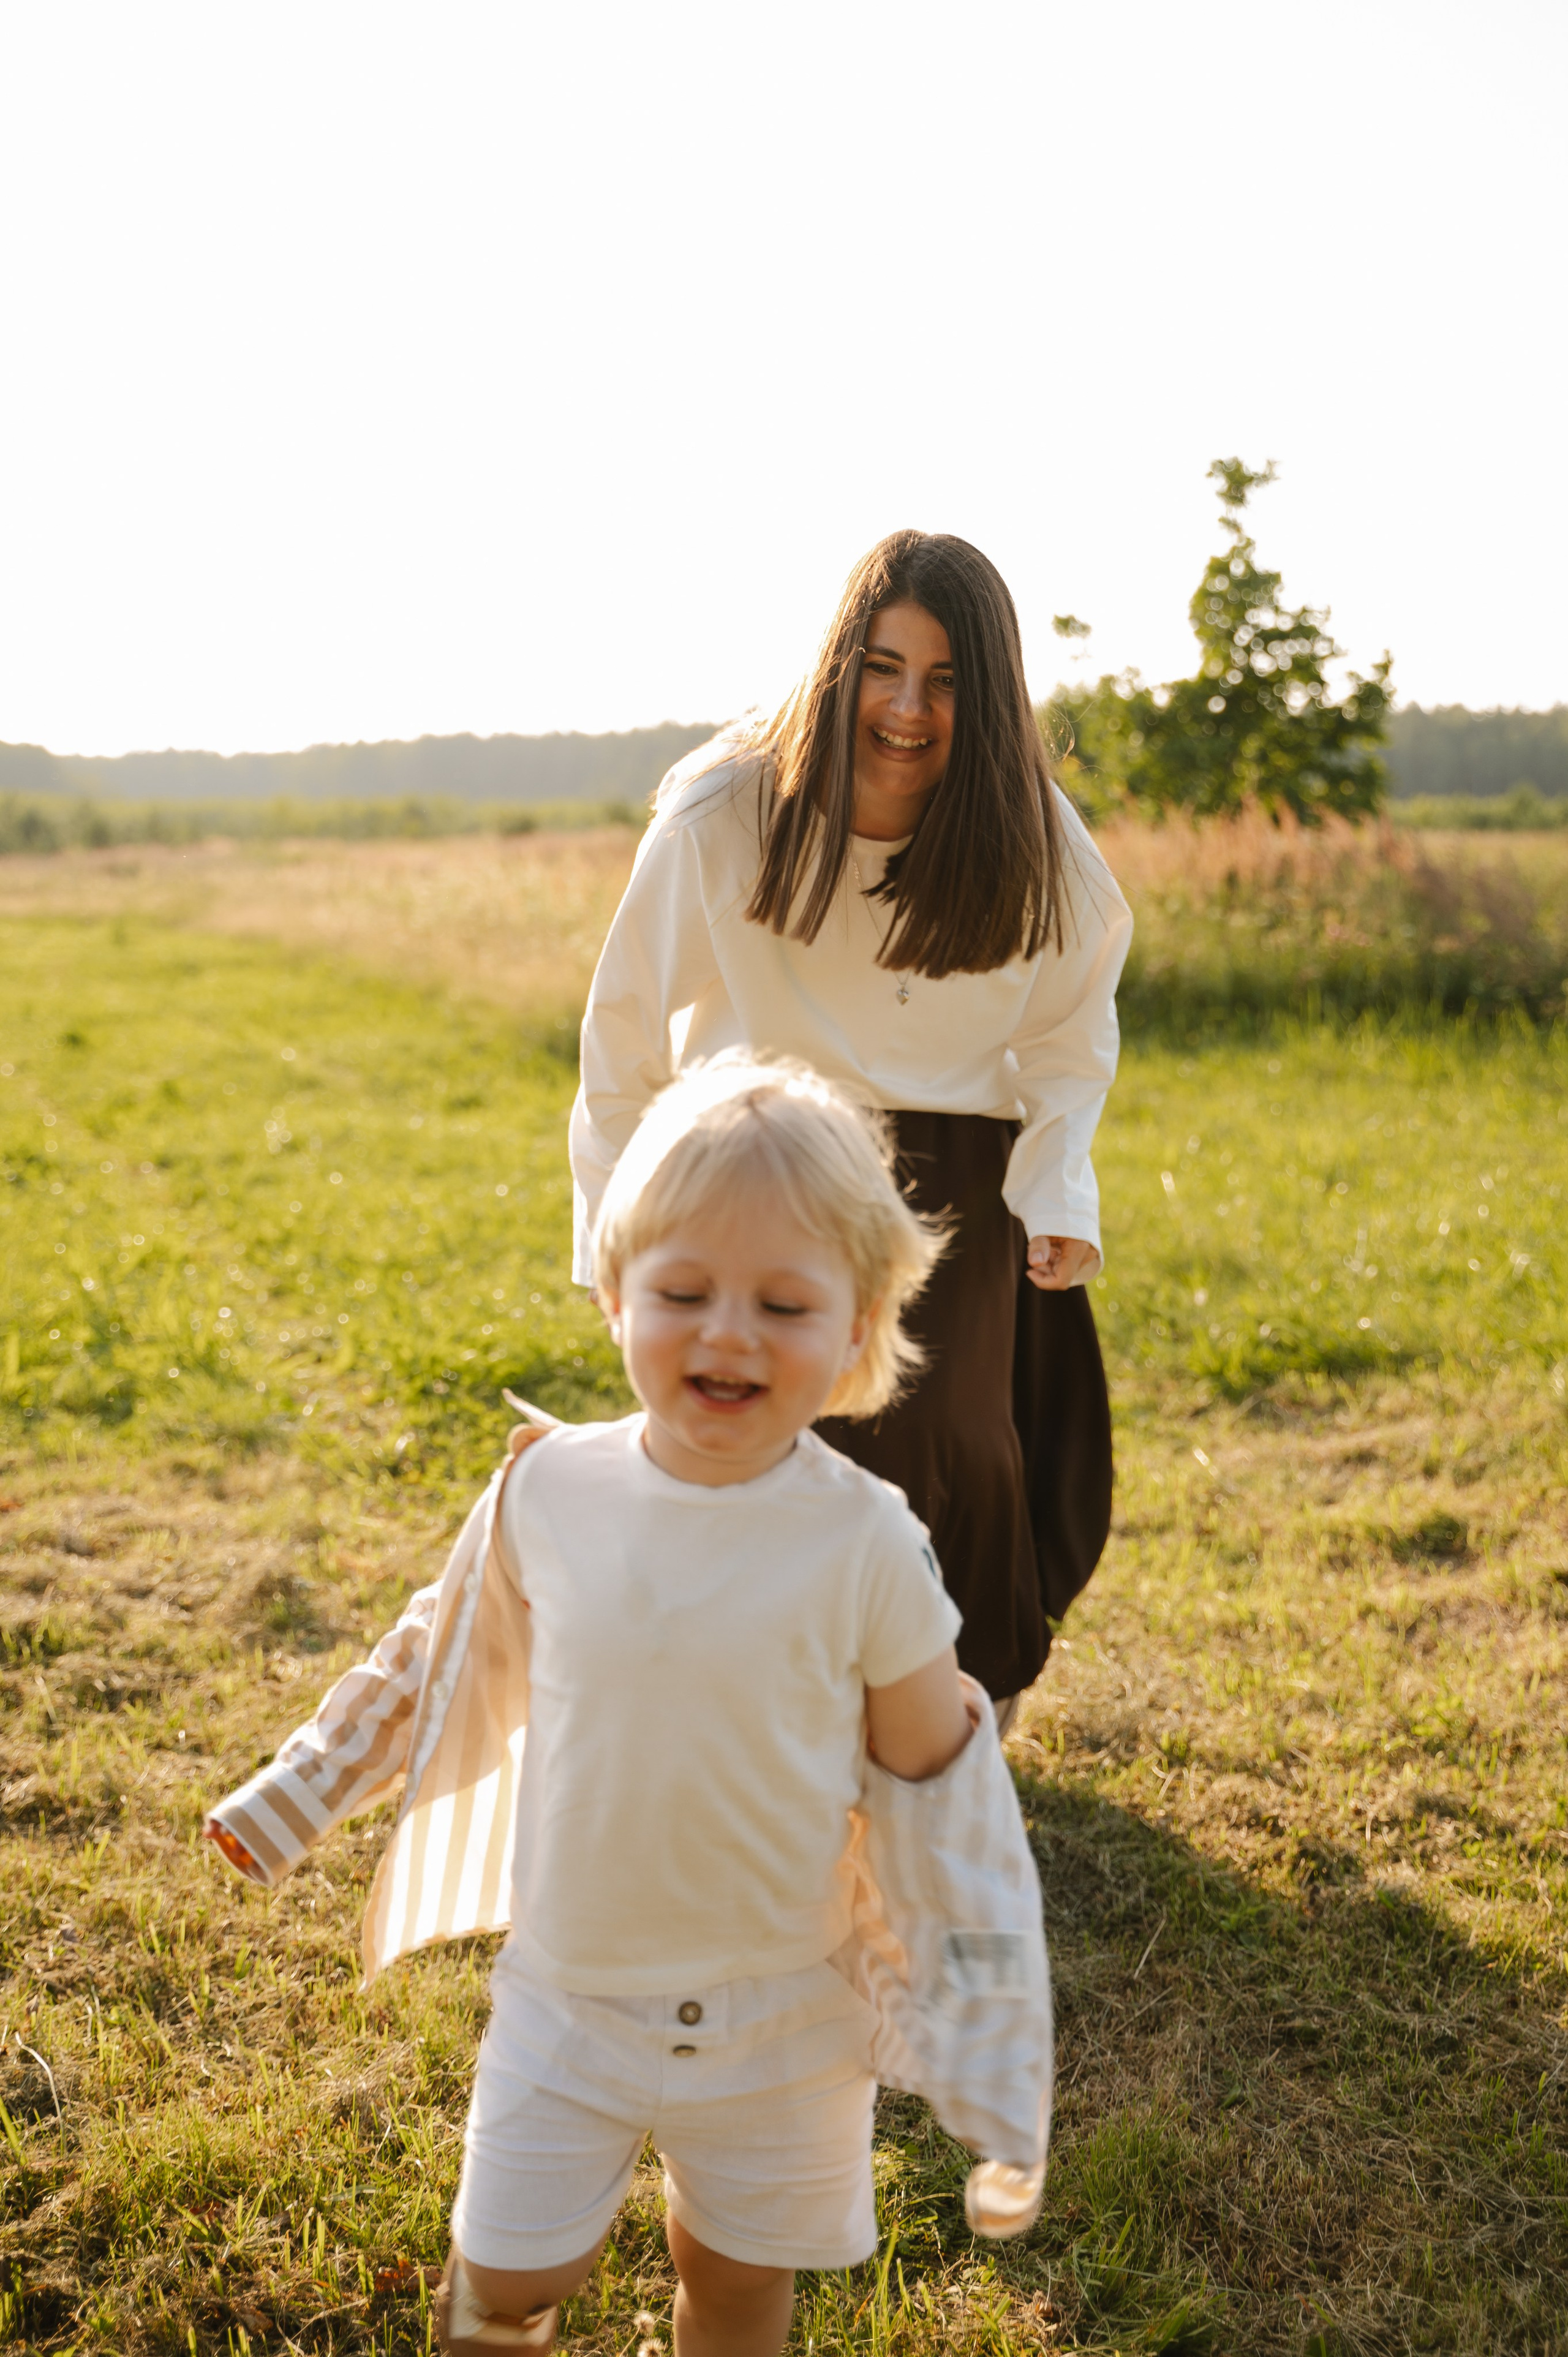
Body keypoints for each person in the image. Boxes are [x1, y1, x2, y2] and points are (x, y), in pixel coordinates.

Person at [205, 1057, 1054, 2357]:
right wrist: (295, 1792)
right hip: (569, 1999)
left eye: (783, 1303)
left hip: (786, 2016)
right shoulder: (550, 1494)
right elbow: (435, 1656)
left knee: (734, 2276)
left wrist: (984, 2017)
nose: (728, 1334)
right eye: (682, 1293)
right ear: (614, 1293)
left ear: (859, 1325)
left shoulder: (869, 1546)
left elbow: (944, 1801)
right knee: (507, 2283)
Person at [570, 531, 1134, 1719]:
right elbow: (621, 1034)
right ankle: (752, 1716)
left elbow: (1071, 1035)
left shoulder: (1036, 837)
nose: (907, 709)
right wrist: (616, 1239)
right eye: (883, 668)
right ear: (838, 667)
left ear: (992, 695)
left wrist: (1054, 1189)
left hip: (952, 1180)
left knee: (958, 1451)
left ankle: (952, 1728)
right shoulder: (725, 808)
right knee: (766, 1432)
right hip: (758, 1158)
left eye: (945, 680)